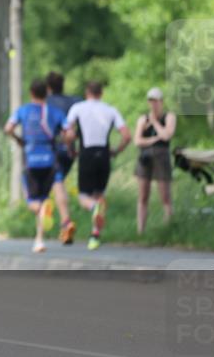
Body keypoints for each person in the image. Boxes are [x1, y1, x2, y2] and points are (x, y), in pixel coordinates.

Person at [62, 81, 131, 250]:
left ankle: (94, 207)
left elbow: (69, 133)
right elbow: (127, 136)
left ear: (87, 92)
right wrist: (116, 151)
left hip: (86, 155)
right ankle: (95, 236)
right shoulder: (110, 110)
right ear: (101, 93)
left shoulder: (78, 108)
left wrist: (70, 149)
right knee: (100, 194)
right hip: (104, 155)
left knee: (84, 197)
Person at [5, 79, 68, 253]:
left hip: (31, 161)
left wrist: (19, 140)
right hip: (50, 161)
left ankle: (41, 212)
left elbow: (8, 128)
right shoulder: (55, 112)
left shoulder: (23, 111)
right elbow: (69, 133)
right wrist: (63, 143)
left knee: (33, 202)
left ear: (31, 92)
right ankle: (39, 240)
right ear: (46, 93)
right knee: (43, 198)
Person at [46, 71, 83, 244]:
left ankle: (65, 222)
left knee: (57, 182)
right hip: (70, 151)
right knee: (56, 183)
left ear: (48, 88)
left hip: (54, 149)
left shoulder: (46, 103)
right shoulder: (74, 101)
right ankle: (51, 211)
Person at [134, 87, 176, 233]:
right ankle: (141, 230)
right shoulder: (142, 119)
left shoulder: (168, 117)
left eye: (156, 101)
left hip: (161, 157)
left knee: (165, 195)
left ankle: (169, 228)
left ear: (161, 101)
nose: (153, 104)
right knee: (143, 195)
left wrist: (155, 123)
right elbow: (137, 140)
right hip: (145, 157)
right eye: (151, 101)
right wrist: (153, 139)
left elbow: (166, 136)